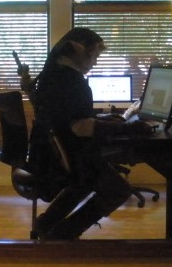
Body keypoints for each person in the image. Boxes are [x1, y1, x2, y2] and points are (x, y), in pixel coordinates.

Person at [26, 27, 153, 240]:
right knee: (118, 190)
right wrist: (127, 127)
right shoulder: (71, 81)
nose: (95, 61)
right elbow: (80, 126)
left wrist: (105, 120)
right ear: (77, 51)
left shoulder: (54, 75)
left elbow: (70, 117)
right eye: (93, 56)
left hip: (54, 154)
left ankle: (45, 224)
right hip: (73, 157)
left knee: (84, 183)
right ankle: (62, 235)